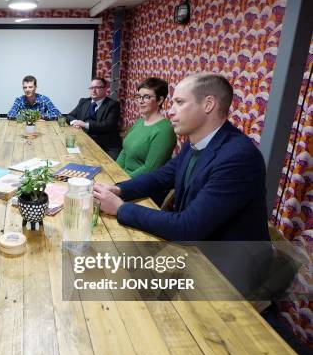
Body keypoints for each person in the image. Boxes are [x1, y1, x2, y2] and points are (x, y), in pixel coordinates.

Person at [93, 73, 273, 298]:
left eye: (179, 102)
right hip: (196, 253)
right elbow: (161, 177)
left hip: (228, 274)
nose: (170, 111)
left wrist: (120, 208)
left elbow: (188, 227)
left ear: (208, 104)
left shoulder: (238, 157)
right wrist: (118, 189)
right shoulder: (196, 141)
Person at [115, 77, 176, 177]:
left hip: (140, 185)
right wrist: (113, 173)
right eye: (139, 96)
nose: (140, 101)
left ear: (160, 100)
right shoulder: (139, 122)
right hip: (123, 178)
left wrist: (119, 184)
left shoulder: (165, 130)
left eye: (146, 97)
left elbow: (149, 169)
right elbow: (125, 152)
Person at [66, 77, 121, 159]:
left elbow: (109, 125)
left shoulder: (113, 105)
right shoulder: (84, 101)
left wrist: (85, 125)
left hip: (106, 145)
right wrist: (75, 122)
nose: (93, 91)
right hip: (84, 141)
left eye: (97, 88)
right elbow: (69, 116)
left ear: (105, 89)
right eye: (91, 88)